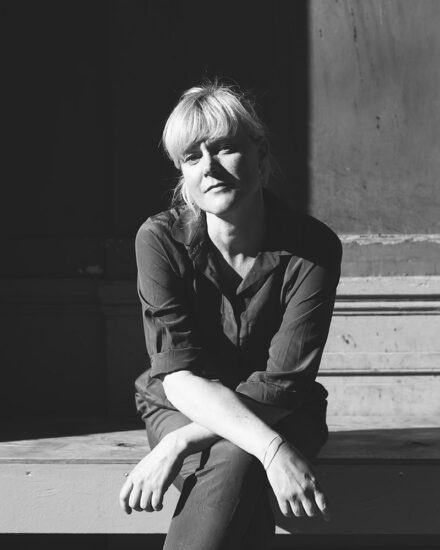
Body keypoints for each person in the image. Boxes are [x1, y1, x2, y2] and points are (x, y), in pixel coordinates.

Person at [119, 81, 342, 550]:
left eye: (224, 148)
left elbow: (284, 383)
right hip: (181, 407)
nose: (209, 166)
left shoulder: (313, 247)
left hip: (283, 410)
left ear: (260, 155)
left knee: (237, 455)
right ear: (182, 173)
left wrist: (179, 444)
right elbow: (178, 376)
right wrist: (270, 448)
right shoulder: (159, 240)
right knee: (242, 457)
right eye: (192, 157)